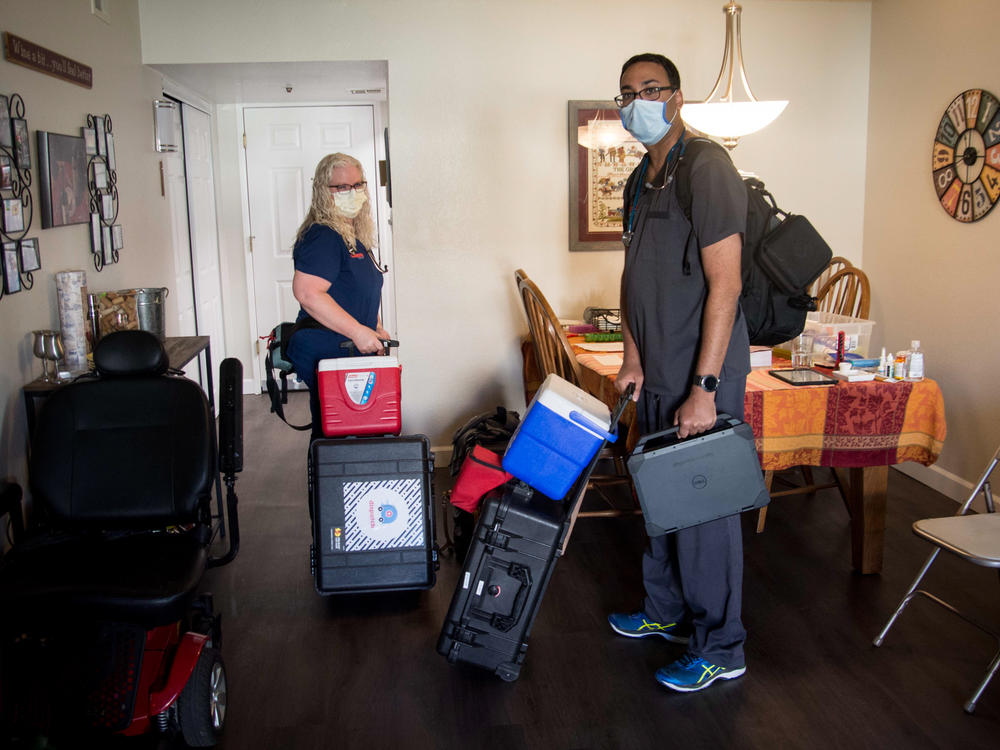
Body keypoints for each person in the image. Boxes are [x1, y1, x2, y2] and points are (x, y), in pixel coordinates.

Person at [608, 53, 750, 693]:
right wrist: (634, 356)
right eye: (627, 93)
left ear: (677, 97)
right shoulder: (642, 178)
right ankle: (665, 613)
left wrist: (705, 389)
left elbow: (727, 284)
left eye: (650, 89)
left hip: (702, 375)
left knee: (703, 511)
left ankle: (722, 646)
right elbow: (634, 275)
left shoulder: (708, 167)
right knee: (660, 498)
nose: (637, 101)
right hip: (658, 366)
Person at [286, 153, 390, 439]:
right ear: (324, 191)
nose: (352, 192)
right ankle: (333, 482)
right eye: (342, 187)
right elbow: (307, 293)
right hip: (328, 343)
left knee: (351, 428)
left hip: (347, 342)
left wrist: (375, 326)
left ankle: (346, 479)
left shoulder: (352, 233)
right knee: (338, 432)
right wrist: (358, 331)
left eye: (358, 185)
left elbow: (361, 286)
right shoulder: (323, 235)